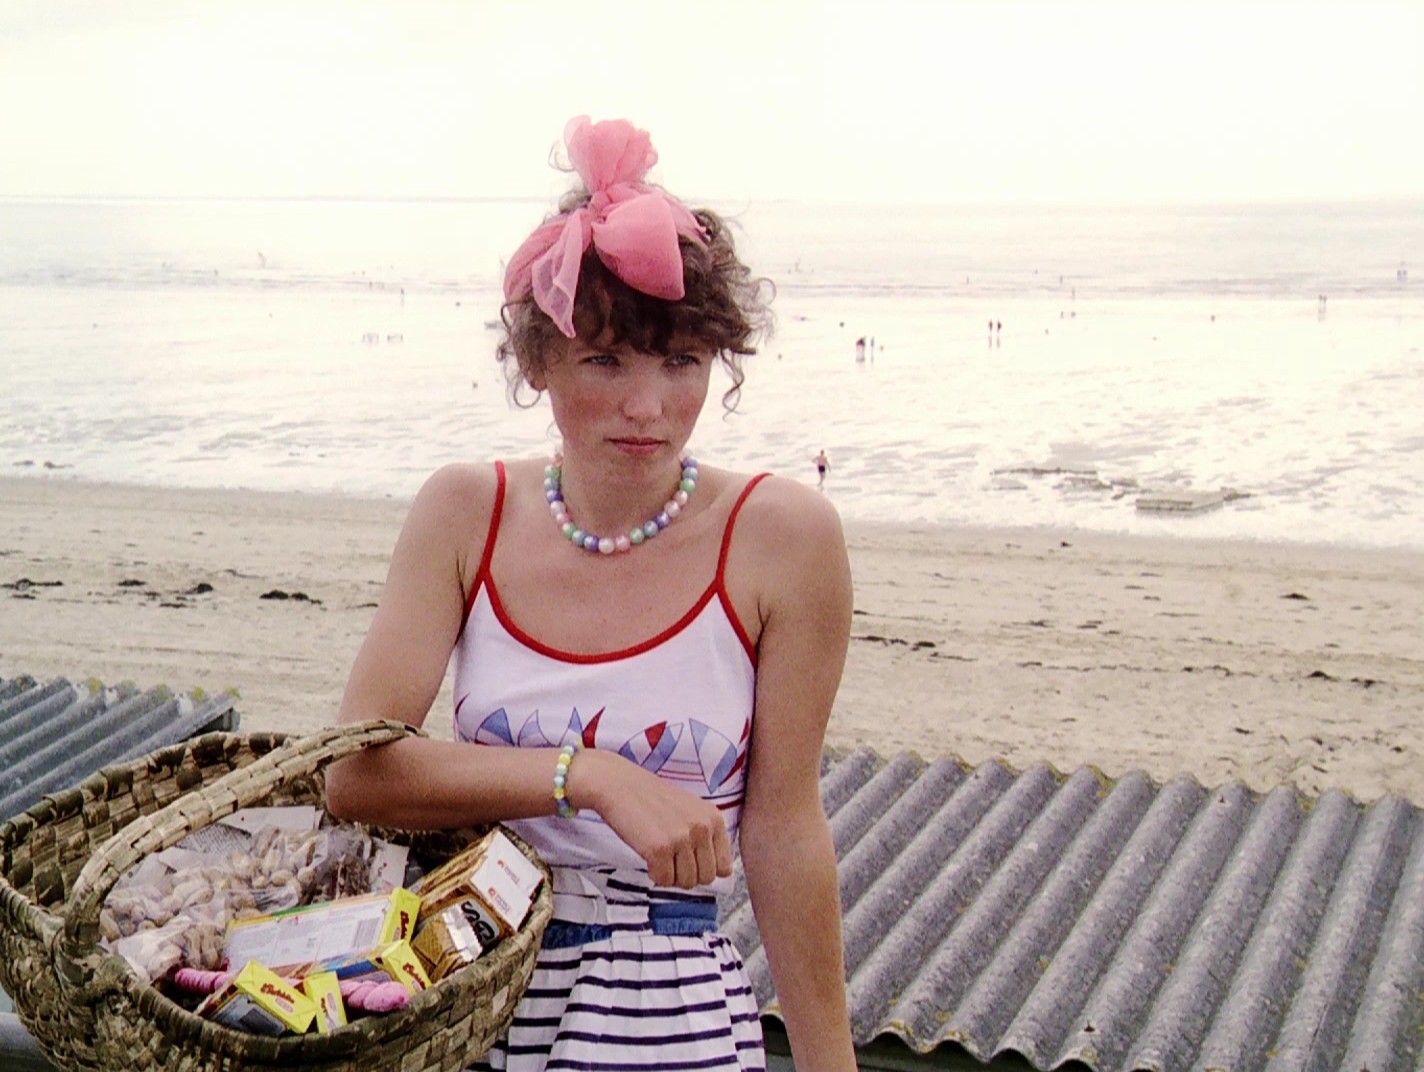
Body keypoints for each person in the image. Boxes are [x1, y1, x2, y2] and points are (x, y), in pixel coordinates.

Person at [326, 115, 856, 1072]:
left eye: (682, 361)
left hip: (672, 1017)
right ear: (537, 361)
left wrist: (830, 1065)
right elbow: (357, 772)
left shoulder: (785, 540)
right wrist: (596, 777)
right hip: (467, 989)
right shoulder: (464, 513)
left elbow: (784, 823)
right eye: (606, 359)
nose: (647, 405)